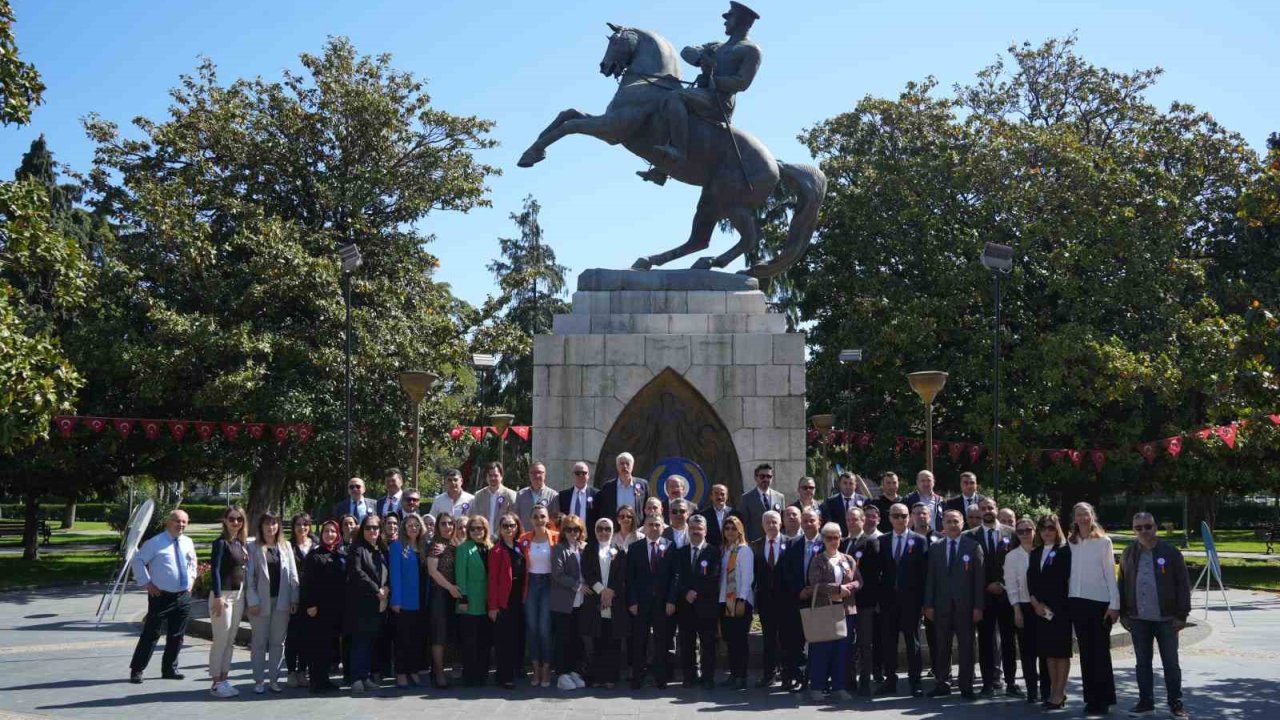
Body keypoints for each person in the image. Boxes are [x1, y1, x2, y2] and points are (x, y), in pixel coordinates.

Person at [645, 0, 762, 184]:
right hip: (702, 95)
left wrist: (712, 80)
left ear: (739, 21)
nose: (725, 22)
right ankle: (663, 167)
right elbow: (687, 51)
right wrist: (700, 59)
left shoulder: (751, 50)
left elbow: (742, 82)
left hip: (719, 101)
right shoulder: (716, 45)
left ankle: (678, 151)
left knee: (676, 97)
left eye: (729, 18)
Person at [1118, 512, 1191, 719]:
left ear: (1155, 527)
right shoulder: (1128, 553)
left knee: (1170, 662)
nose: (1143, 531)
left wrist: (1182, 615)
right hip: (1138, 619)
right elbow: (1122, 584)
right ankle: (1145, 702)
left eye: (1147, 526)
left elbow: (1183, 585)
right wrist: (1124, 613)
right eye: (1138, 528)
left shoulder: (1170, 552)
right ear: (1133, 529)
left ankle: (1176, 703)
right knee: (1142, 663)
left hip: (1167, 619)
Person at [129, 509, 198, 684]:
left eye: (184, 522)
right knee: (151, 633)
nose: (180, 525)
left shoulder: (188, 542)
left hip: (182, 596)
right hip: (160, 596)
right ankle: (137, 670)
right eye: (177, 521)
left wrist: (191, 581)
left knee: (177, 635)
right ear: (168, 522)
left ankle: (170, 668)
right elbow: (137, 561)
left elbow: (192, 563)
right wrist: (146, 583)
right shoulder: (155, 543)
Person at [924, 509, 985, 700]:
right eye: (948, 521)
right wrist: (928, 605)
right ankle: (942, 683)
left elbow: (979, 581)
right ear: (943, 524)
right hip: (941, 607)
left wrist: (978, 607)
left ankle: (966, 685)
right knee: (942, 646)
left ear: (963, 524)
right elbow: (930, 578)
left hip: (966, 607)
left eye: (956, 521)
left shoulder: (973, 546)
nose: (952, 524)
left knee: (967, 646)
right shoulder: (935, 547)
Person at [1068, 501, 1121, 717]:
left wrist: (1114, 604)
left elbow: (1111, 573)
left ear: (1092, 516)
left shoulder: (1103, 542)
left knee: (1100, 652)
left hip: (1099, 603)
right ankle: (1091, 698)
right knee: (1085, 653)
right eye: (1079, 514)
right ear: (1074, 518)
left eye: (1086, 514)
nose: (1083, 518)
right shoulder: (1070, 543)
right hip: (1076, 602)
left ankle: (1105, 698)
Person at [965, 497, 1019, 697]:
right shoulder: (969, 536)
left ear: (996, 509)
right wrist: (987, 585)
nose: (987, 510)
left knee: (1008, 641)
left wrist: (1003, 585)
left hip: (1007, 596)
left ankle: (1012, 682)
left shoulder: (1012, 534)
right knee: (986, 642)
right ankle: (988, 683)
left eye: (990, 507)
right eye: (983, 508)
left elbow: (1016, 564)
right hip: (983, 597)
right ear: (978, 512)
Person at [801, 522, 860, 703]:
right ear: (823, 539)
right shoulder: (818, 560)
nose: (834, 541)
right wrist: (837, 588)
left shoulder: (848, 559)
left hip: (845, 611)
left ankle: (839, 687)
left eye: (836, 537)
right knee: (821, 650)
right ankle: (817, 686)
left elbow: (859, 581)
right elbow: (815, 584)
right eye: (829, 538)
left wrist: (849, 587)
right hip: (824, 611)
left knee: (842, 651)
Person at [877, 502, 928, 698]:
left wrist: (924, 603)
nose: (900, 519)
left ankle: (915, 682)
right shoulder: (882, 541)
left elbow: (924, 575)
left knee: (912, 642)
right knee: (888, 642)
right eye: (896, 516)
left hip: (912, 602)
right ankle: (890, 680)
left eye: (904, 516)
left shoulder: (920, 541)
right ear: (889, 518)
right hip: (888, 602)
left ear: (910, 518)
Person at [245, 512, 299, 694]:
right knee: (259, 642)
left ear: (279, 526)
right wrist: (252, 601)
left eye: (274, 524)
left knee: (278, 643)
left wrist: (294, 598)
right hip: (260, 602)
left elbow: (293, 575)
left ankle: (274, 680)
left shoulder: (286, 546)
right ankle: (259, 680)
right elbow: (249, 578)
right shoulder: (253, 547)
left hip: (282, 602)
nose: (271, 527)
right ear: (261, 526)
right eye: (267, 524)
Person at [627, 513, 679, 689]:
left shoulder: (671, 546)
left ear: (663, 527)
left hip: (663, 603)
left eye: (657, 525)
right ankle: (637, 677)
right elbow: (630, 578)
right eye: (650, 525)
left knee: (661, 641)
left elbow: (675, 576)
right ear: (644, 527)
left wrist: (672, 600)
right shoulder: (635, 548)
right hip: (640, 603)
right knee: (639, 640)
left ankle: (660, 678)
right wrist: (632, 601)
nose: (654, 528)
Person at [1027, 514, 1073, 710]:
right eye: (1044, 528)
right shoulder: (1035, 552)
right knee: (1048, 654)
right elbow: (1031, 581)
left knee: (1061, 653)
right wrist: (1035, 603)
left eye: (1051, 528)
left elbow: (1067, 580)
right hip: (1040, 610)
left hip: (1061, 609)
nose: (1047, 531)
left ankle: (1059, 693)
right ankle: (1054, 691)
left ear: (1057, 530)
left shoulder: (1065, 551)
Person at [1004, 516, 1050, 704]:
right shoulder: (1012, 556)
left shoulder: (1044, 552)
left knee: (1046, 650)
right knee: (1027, 651)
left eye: (1028, 530)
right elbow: (1012, 586)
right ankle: (1032, 689)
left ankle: (1047, 689)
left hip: (1045, 607)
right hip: (1023, 606)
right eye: (1020, 531)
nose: (1024, 534)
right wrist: (1017, 611)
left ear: (1035, 531)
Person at [581, 517, 628, 688]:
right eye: (600, 529)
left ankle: (611, 678)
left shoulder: (619, 550)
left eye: (607, 529)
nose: (603, 532)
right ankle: (597, 677)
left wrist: (611, 593)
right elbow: (587, 571)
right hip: (595, 599)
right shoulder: (589, 549)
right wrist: (602, 590)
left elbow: (622, 575)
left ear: (612, 531)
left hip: (614, 601)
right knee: (597, 640)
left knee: (613, 641)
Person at [779, 507, 822, 691]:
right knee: (795, 641)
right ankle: (798, 676)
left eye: (812, 520)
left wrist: (815, 589)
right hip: (798, 599)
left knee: (819, 641)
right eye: (805, 521)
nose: (808, 524)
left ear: (819, 522)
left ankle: (818, 677)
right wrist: (799, 590)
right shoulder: (792, 543)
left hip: (821, 600)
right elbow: (786, 571)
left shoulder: (828, 541)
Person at [676, 514, 721, 688]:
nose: (696, 531)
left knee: (708, 643)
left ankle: (708, 677)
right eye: (693, 528)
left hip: (706, 605)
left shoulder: (714, 552)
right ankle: (689, 676)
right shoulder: (680, 552)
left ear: (706, 530)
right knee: (687, 643)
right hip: (686, 605)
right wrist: (686, 591)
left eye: (699, 528)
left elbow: (714, 577)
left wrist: (697, 592)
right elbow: (677, 577)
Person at [300, 520, 345, 693]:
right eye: (326, 531)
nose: (329, 534)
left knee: (330, 646)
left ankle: (325, 679)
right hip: (318, 609)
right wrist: (310, 604)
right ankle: (316, 682)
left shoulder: (340, 555)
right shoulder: (314, 556)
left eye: (333, 531)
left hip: (336, 608)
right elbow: (307, 583)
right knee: (318, 645)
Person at [208, 506, 249, 698]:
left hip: (238, 595)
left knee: (231, 640)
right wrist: (217, 596)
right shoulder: (220, 543)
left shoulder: (240, 543)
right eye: (232, 519)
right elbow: (214, 570)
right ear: (225, 520)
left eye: (239, 519)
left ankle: (224, 678)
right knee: (221, 640)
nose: (235, 523)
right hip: (223, 595)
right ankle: (216, 682)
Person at [841, 506, 882, 696]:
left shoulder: (871, 543)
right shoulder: (842, 543)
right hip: (845, 602)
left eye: (855, 519)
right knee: (846, 642)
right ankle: (849, 680)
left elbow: (874, 577)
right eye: (848, 519)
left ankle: (865, 681)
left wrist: (874, 602)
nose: (851, 522)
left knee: (866, 643)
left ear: (863, 520)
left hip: (864, 603)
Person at [345, 514, 388, 693]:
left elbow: (387, 572)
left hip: (378, 604)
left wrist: (386, 588)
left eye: (375, 528)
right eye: (368, 528)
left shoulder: (381, 550)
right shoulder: (357, 549)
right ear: (362, 530)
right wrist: (375, 589)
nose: (372, 531)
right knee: (360, 641)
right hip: (361, 603)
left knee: (370, 641)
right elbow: (357, 572)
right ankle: (356, 678)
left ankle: (365, 676)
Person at [487, 512, 527, 689]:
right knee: (505, 639)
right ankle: (504, 676)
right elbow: (492, 580)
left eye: (512, 525)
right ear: (500, 529)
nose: (509, 529)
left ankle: (515, 670)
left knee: (518, 636)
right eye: (505, 526)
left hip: (520, 597)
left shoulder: (521, 546)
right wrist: (493, 606)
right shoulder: (496, 550)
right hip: (505, 599)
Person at [389, 512, 428, 687]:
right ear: (404, 527)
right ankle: (401, 672)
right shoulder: (397, 546)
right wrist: (396, 601)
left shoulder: (424, 546)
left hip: (422, 599)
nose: (414, 528)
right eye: (410, 525)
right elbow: (395, 575)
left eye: (417, 525)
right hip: (405, 600)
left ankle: (413, 669)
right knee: (403, 638)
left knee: (416, 638)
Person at [521, 504, 559, 687]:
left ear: (547, 519)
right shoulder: (524, 539)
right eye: (535, 517)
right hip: (531, 585)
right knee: (533, 629)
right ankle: (535, 669)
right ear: (530, 519)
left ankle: (546, 669)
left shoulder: (556, 538)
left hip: (548, 585)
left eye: (542, 516)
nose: (539, 520)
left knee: (544, 630)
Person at [551, 513, 590, 690]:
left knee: (577, 638)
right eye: (568, 529)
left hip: (582, 603)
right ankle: (562, 673)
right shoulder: (559, 549)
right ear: (563, 531)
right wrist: (577, 585)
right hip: (564, 602)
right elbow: (557, 574)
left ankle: (575, 671)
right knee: (563, 639)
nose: (573, 533)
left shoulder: (585, 548)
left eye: (576, 529)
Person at [455, 514, 493, 686]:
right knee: (470, 640)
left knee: (485, 639)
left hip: (488, 600)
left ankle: (483, 673)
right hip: (469, 600)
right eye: (473, 528)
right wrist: (464, 598)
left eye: (480, 528)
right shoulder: (464, 548)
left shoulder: (491, 547)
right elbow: (460, 575)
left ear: (486, 530)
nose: (477, 531)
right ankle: (470, 675)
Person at [719, 515, 755, 689]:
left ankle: (742, 675)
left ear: (740, 530)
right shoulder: (725, 550)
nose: (730, 532)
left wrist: (741, 598)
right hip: (725, 600)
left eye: (734, 528)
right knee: (730, 640)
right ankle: (733, 674)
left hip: (740, 600)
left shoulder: (744, 550)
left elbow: (747, 576)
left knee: (740, 640)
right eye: (727, 528)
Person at [425, 513, 460, 688]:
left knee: (450, 634)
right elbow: (433, 571)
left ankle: (446, 669)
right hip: (440, 594)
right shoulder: (435, 546)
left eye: (450, 524)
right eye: (443, 524)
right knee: (438, 636)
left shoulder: (455, 545)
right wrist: (449, 587)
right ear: (438, 526)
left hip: (453, 595)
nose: (447, 527)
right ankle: (438, 673)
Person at [752, 510, 786, 688]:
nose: (771, 525)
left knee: (787, 638)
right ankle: (769, 674)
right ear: (762, 525)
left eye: (774, 522)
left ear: (780, 524)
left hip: (786, 600)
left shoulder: (790, 543)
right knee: (769, 639)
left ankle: (787, 674)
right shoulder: (756, 546)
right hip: (766, 600)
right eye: (768, 522)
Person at [285, 513, 314, 688]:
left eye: (305, 524)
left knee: (307, 636)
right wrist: (292, 598)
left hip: (311, 597)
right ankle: (291, 672)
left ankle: (303, 670)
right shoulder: (288, 546)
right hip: (294, 597)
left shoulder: (315, 544)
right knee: (293, 637)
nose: (302, 528)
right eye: (298, 524)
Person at [595, 452, 650, 526]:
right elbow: (604, 510)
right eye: (621, 463)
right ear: (617, 467)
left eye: (627, 464)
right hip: (616, 530)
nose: (625, 466)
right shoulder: (608, 487)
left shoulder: (642, 485)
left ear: (632, 466)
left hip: (637, 530)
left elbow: (647, 506)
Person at [740, 463, 787, 543]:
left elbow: (783, 522)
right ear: (756, 477)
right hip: (755, 543)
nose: (765, 479)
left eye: (769, 476)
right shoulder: (746, 498)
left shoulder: (780, 497)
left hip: (776, 542)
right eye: (762, 476)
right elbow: (744, 524)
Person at [821, 472, 867, 536]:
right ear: (840, 484)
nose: (848, 486)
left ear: (855, 485)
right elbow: (828, 522)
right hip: (838, 539)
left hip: (859, 539)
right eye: (845, 483)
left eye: (851, 483)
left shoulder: (865, 501)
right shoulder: (830, 502)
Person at [517, 461, 560, 530]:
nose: (536, 475)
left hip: (545, 538)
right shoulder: (521, 494)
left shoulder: (553, 495)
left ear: (545, 474)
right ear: (529, 475)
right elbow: (517, 518)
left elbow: (555, 520)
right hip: (526, 538)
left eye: (539, 472)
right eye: (533, 473)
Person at [558, 461, 598, 528]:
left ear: (588, 476)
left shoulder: (596, 494)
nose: (581, 476)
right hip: (569, 535)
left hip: (590, 536)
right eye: (577, 473)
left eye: (584, 473)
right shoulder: (563, 496)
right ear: (573, 475)